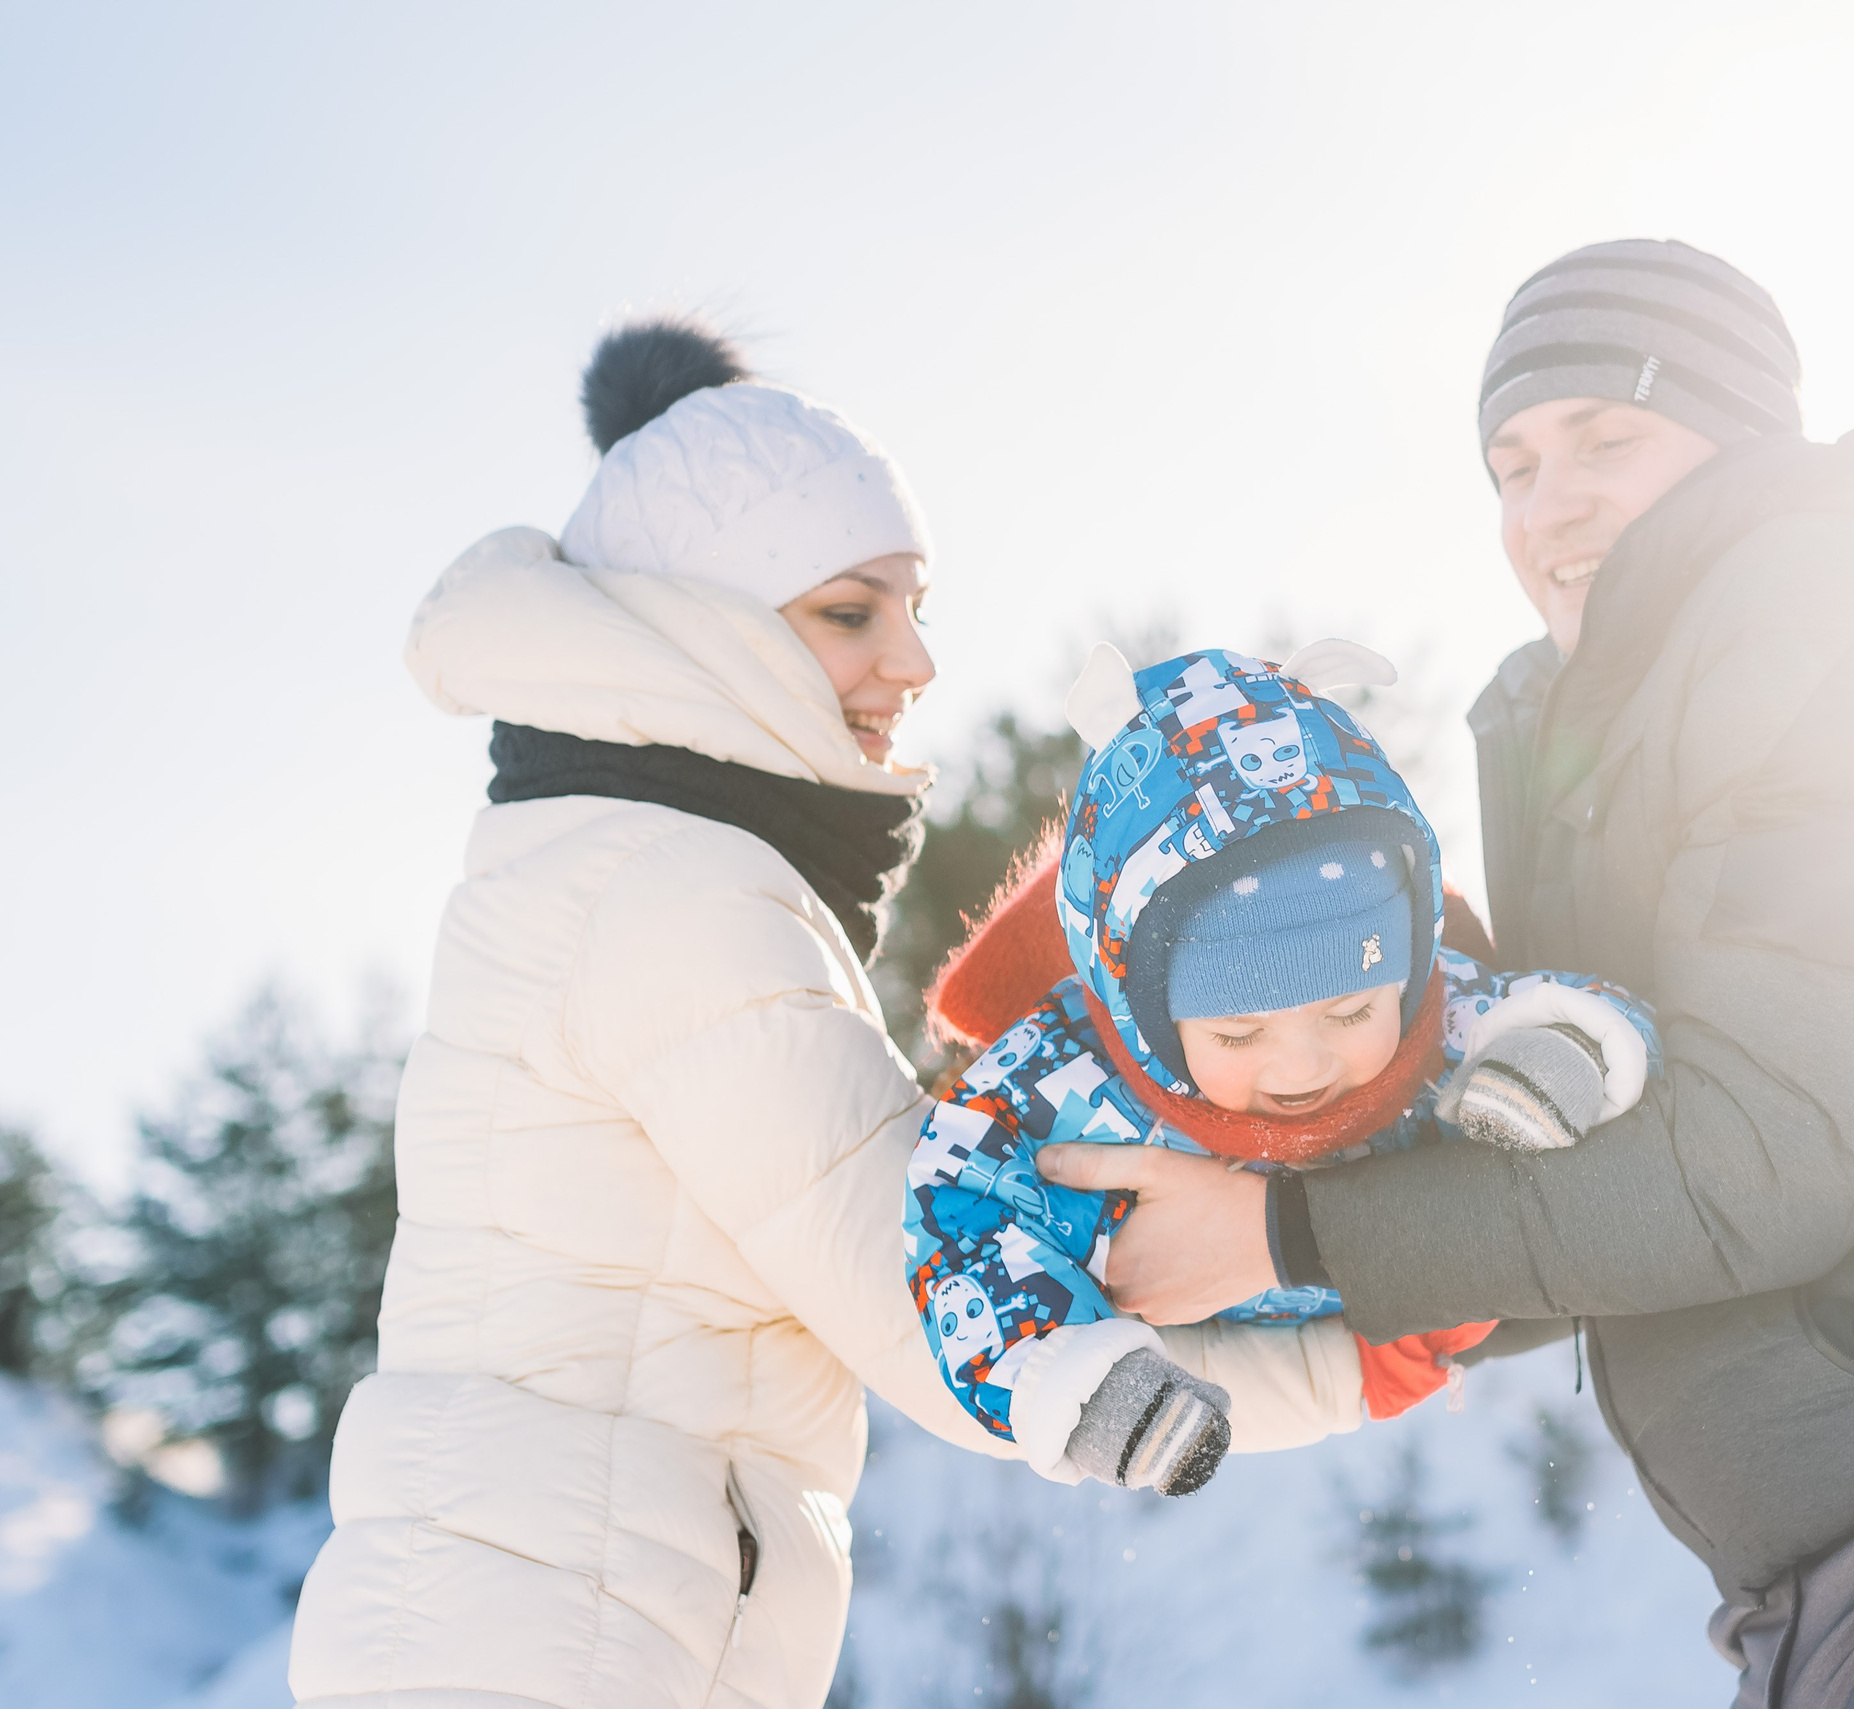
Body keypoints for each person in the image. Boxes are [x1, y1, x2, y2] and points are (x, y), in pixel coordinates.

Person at [1037, 241, 1854, 1705]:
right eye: (1509, 462)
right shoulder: (1614, 720)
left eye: (1606, 439)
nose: (1544, 503)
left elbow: (1763, 1166)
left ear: (1743, 436)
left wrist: (1293, 1236)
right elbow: (1603, 1185)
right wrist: (1217, 1262)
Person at [287, 324, 1359, 1709]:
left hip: (538, 1613)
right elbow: (937, 1298)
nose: (914, 659)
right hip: (554, 1640)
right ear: (702, 623)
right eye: (852, 612)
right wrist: (1372, 1339)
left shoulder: (613, 856)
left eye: (917, 606)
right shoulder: (678, 894)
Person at [904, 644, 1659, 1495]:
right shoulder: (1063, 1089)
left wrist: (1552, 1057)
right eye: (1237, 1031)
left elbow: (1569, 1007)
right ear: (1145, 1007)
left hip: (1398, 1333)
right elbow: (962, 1203)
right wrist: (1085, 1386)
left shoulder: (1434, 1018)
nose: (1303, 1063)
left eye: (1349, 1012)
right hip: (1218, 1377)